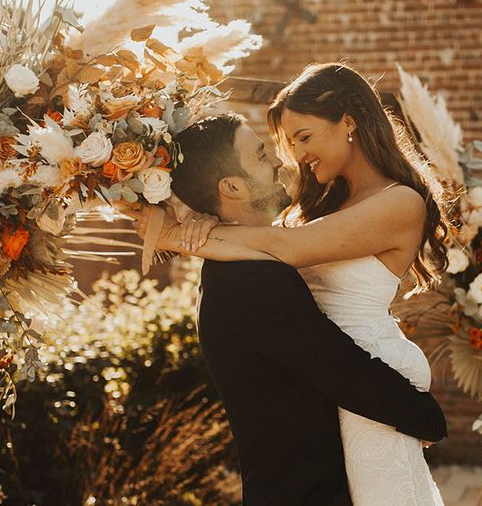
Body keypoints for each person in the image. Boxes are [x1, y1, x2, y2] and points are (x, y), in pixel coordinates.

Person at [155, 63, 452, 505]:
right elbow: (262, 229)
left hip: (372, 372)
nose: (293, 156)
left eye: (305, 137)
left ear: (348, 120)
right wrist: (203, 218)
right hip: (343, 380)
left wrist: (183, 237)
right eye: (288, 143)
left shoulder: (400, 202)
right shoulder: (321, 202)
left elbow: (288, 247)